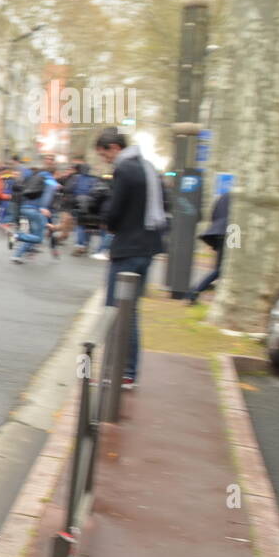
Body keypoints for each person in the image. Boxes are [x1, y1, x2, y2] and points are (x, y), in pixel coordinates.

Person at [95, 127, 164, 389]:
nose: (106, 160)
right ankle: (128, 372)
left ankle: (120, 371)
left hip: (128, 250)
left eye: (105, 155)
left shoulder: (124, 169)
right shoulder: (147, 167)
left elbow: (114, 213)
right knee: (130, 312)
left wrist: (106, 219)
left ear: (114, 147)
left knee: (115, 311)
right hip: (147, 248)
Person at [11, 156, 60, 263]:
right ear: (55, 173)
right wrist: (43, 208)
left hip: (24, 207)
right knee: (38, 238)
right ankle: (17, 236)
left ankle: (17, 255)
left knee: (33, 234)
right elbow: (48, 193)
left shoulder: (35, 176)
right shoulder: (49, 179)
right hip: (35, 210)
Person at [189, 191, 230, 305]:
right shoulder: (241, 197)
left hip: (218, 232)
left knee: (220, 268)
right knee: (225, 268)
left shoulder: (225, 195)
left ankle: (198, 289)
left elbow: (214, 214)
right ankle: (195, 290)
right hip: (233, 231)